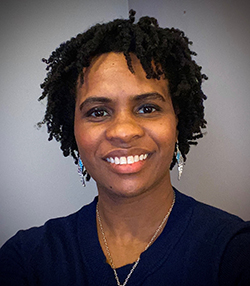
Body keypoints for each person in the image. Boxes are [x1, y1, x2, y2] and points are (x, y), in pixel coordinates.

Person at [0, 10, 249, 286]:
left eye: (147, 108)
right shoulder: (27, 259)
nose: (123, 131)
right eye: (97, 112)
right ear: (73, 130)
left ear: (177, 121)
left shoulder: (234, 253)